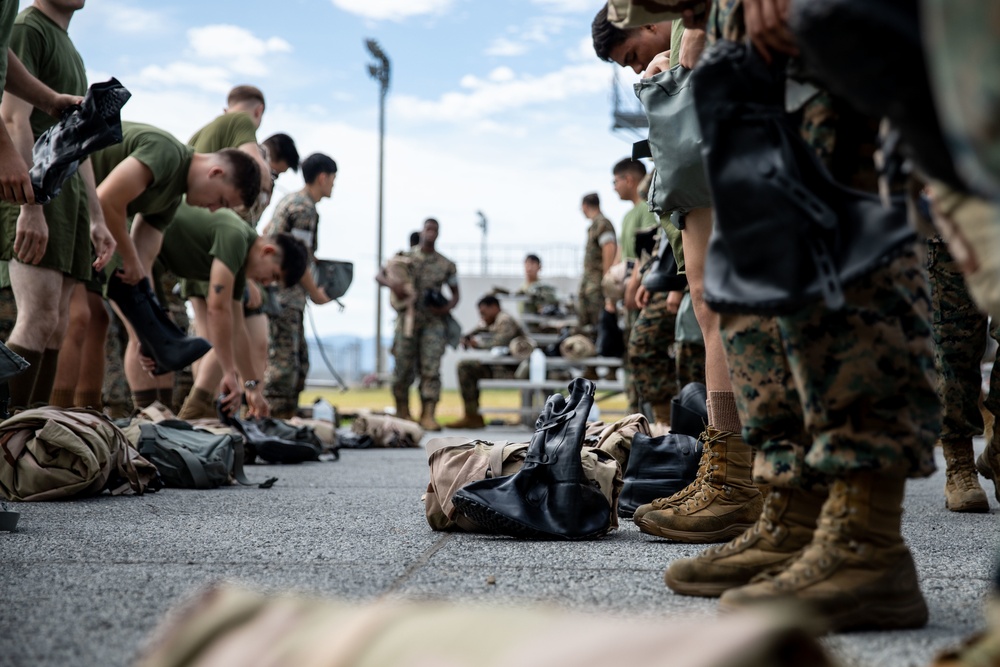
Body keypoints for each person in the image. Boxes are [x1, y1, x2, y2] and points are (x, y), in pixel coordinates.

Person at [616, 0, 941, 632]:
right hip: (747, 53)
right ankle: (795, 514)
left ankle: (865, 540)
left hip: (812, 34)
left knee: (839, 267)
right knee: (765, 288)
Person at [593, 8, 764, 548]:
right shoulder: (679, 32)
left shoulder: (686, 27)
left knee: (728, 305)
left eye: (631, 56)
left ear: (644, 27)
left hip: (735, 147)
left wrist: (689, 34)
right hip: (711, 166)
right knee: (715, 304)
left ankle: (741, 480)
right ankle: (731, 472)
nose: (634, 69)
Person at [0, 0, 115, 411]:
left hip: (68, 200)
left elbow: (76, 144)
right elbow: (14, 118)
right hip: (32, 191)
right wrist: (31, 206)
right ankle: (6, 438)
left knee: (57, 325)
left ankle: (27, 437)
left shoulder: (69, 47)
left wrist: (97, 218)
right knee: (37, 317)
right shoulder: (28, 26)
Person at [155, 210, 308, 417]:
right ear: (268, 252)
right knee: (148, 341)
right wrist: (229, 372)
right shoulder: (236, 238)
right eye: (272, 275)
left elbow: (237, 329)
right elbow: (218, 310)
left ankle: (191, 414)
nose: (266, 283)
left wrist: (251, 387)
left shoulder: (240, 268)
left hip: (151, 259)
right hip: (135, 248)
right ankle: (186, 414)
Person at [261, 152, 336, 419]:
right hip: (286, 296)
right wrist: (316, 293)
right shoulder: (304, 209)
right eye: (333, 179)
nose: (333, 185)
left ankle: (281, 419)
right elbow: (298, 258)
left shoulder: (288, 200)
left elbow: (268, 233)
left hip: (276, 293)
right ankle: (273, 422)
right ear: (323, 177)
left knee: (298, 362)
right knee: (284, 365)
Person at [385, 217, 459, 431]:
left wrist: (445, 308)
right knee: (402, 368)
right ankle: (402, 412)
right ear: (422, 231)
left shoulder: (445, 264)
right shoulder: (404, 257)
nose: (431, 232)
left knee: (431, 368)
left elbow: (456, 294)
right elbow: (381, 275)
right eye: (428, 228)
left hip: (433, 322)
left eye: (435, 229)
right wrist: (395, 286)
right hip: (407, 320)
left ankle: (428, 414)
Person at [448, 295, 526, 429]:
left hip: (510, 370)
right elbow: (481, 328)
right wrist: (468, 336)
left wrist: (477, 344)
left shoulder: (504, 320)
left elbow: (500, 341)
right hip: (500, 367)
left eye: (484, 312)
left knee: (466, 367)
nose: (482, 316)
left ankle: (472, 416)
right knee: (465, 367)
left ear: (494, 308)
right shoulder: (493, 320)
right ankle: (472, 416)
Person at [578, 193, 616, 336]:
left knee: (598, 318)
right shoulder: (594, 225)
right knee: (587, 319)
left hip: (597, 280)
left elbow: (609, 248)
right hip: (590, 280)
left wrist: (606, 277)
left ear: (585, 206)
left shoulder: (602, 224)